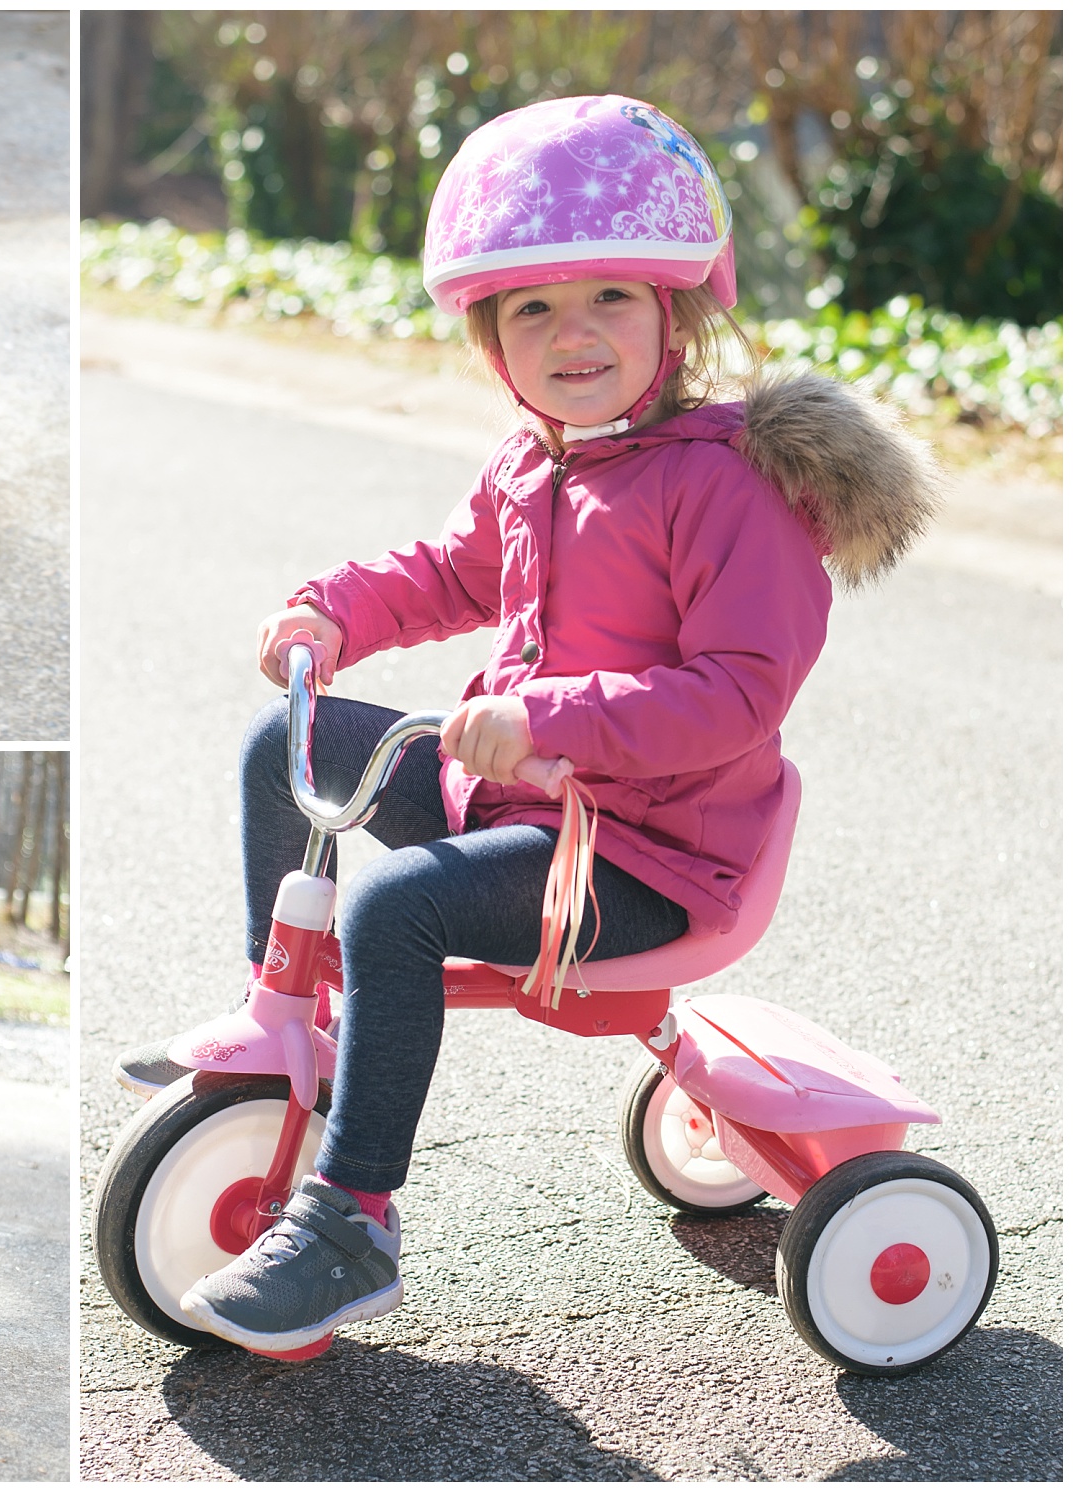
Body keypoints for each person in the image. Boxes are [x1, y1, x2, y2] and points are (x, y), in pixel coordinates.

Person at [118, 94, 940, 1355]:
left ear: (674, 309)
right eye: (532, 310)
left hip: (654, 858)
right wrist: (328, 612)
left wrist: (542, 715)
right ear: (492, 338)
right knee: (291, 751)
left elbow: (736, 695)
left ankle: (350, 1221)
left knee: (400, 908)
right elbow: (448, 572)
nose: (574, 335)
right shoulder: (534, 463)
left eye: (608, 297)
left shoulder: (726, 488)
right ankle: (294, 1039)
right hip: (522, 805)